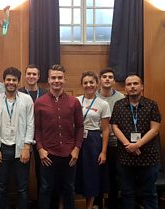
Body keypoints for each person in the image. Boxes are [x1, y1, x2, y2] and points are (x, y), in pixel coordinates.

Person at [34, 64, 84, 209]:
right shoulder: (39, 102)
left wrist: (76, 149)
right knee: (45, 189)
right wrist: (40, 149)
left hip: (69, 154)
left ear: (64, 79)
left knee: (69, 188)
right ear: (48, 80)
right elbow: (37, 129)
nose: (57, 80)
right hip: (47, 155)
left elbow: (80, 127)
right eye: (54, 78)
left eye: (60, 78)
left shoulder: (74, 102)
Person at [111, 74, 161, 209]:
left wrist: (137, 145)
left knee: (149, 193)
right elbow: (114, 126)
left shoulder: (152, 105)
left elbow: (155, 129)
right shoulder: (119, 105)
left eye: (135, 83)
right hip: (125, 157)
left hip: (148, 157)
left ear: (142, 86)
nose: (132, 86)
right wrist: (129, 145)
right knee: (127, 193)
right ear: (125, 89)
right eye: (129, 84)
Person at [0, 67, 34, 209]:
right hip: (1, 149)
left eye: (14, 80)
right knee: (1, 187)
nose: (11, 82)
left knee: (22, 188)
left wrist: (27, 147)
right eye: (8, 79)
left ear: (18, 81)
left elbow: (30, 123)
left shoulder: (27, 99)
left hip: (20, 148)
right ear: (3, 82)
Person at [75, 71, 111, 209]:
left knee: (91, 175)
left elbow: (106, 129)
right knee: (76, 174)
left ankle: (89, 207)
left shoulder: (103, 104)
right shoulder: (76, 101)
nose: (88, 85)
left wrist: (103, 152)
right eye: (85, 82)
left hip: (94, 142)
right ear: (82, 85)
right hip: (77, 140)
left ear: (97, 84)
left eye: (91, 82)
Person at [94, 67, 124, 209]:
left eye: (110, 77)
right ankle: (97, 204)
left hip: (115, 144)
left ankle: (113, 205)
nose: (107, 79)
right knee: (97, 176)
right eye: (104, 76)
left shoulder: (121, 98)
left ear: (114, 80)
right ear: (99, 80)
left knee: (114, 177)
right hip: (96, 143)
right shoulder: (92, 96)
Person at [18, 64, 47, 205]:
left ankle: (43, 203)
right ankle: (25, 202)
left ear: (38, 76)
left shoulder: (45, 93)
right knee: (23, 174)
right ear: (25, 75)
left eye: (34, 74)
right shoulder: (18, 93)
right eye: (28, 73)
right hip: (23, 138)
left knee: (42, 174)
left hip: (43, 138)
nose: (31, 76)